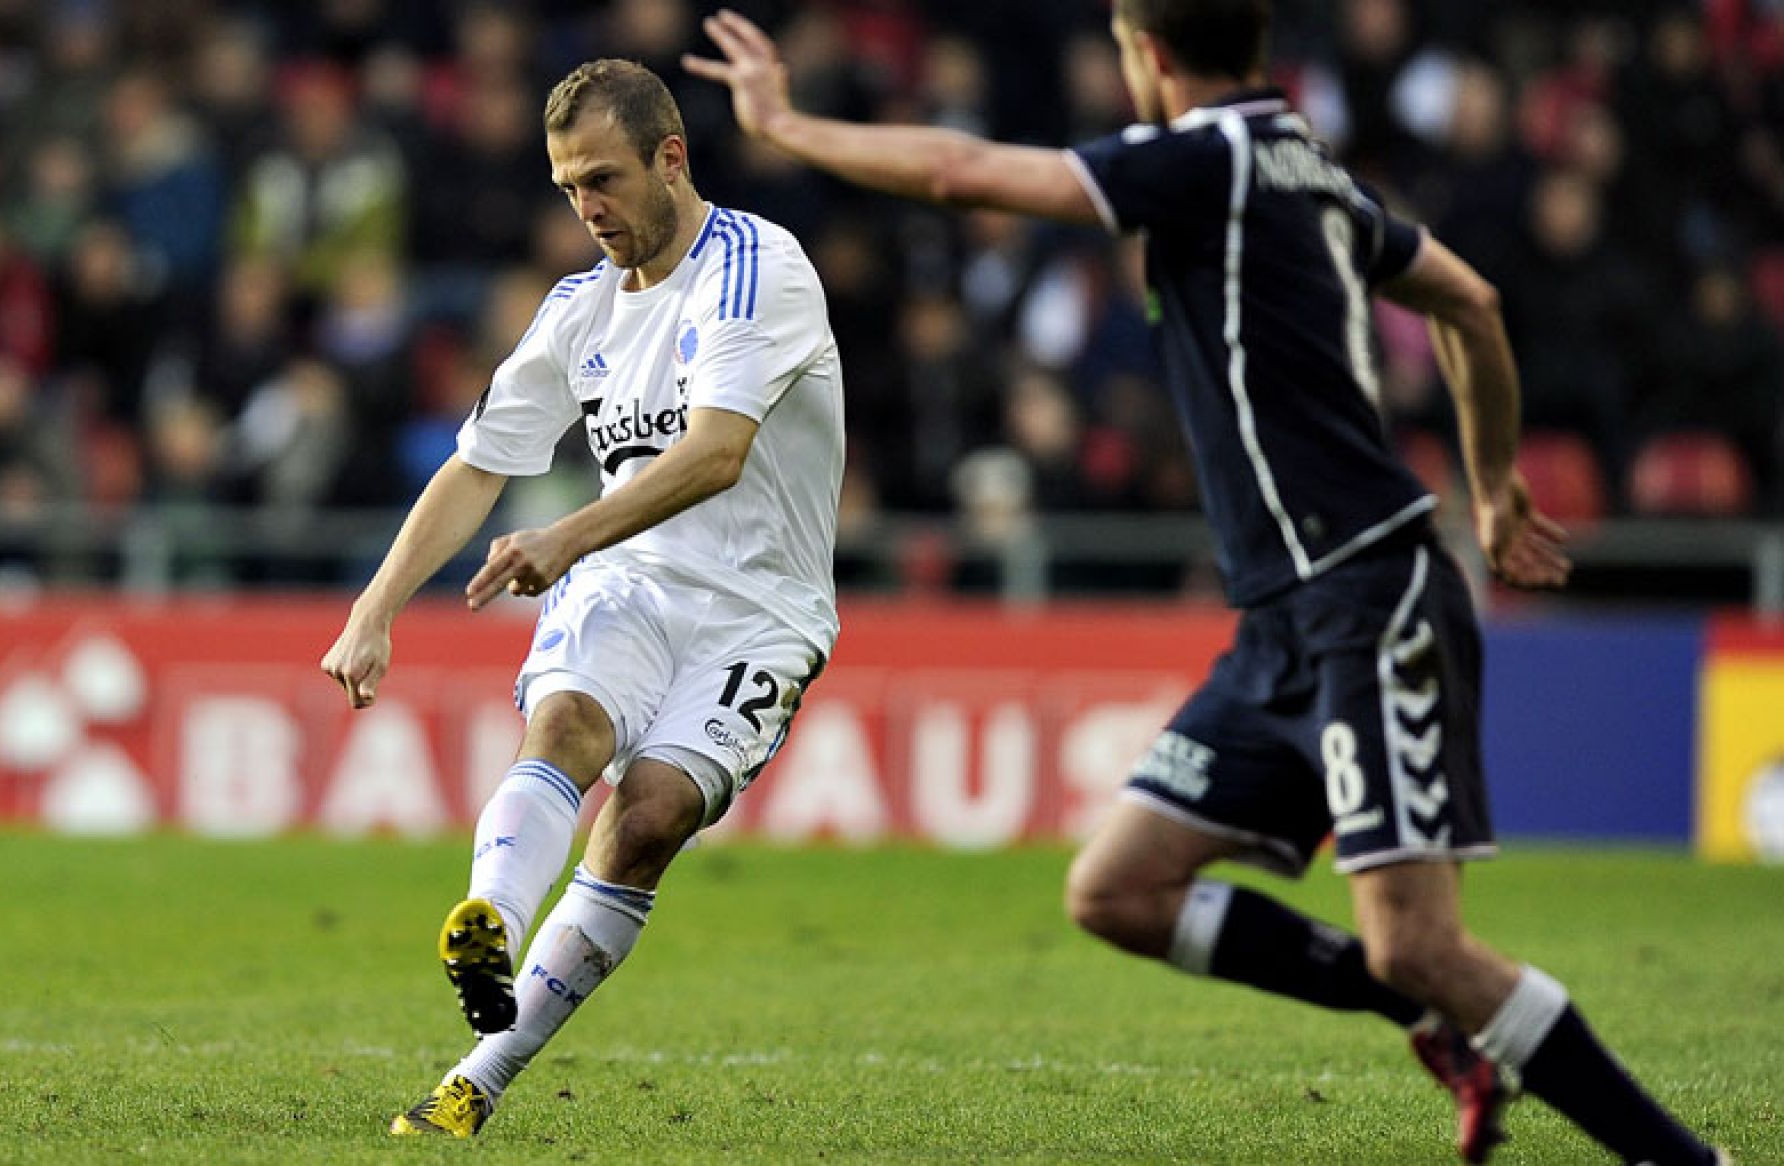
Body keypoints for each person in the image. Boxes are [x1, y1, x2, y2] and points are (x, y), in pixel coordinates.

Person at [685, 5, 1728, 1165]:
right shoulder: (1310, 165)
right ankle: (1440, 1024)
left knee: (1415, 940)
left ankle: (1681, 1157)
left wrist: (782, 122)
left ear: (1151, 55)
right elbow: (1468, 303)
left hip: (1366, 595)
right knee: (1117, 888)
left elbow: (956, 168)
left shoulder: (1212, 158)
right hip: (1288, 613)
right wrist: (1490, 489)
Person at [320, 57, 843, 1138]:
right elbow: (477, 464)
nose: (587, 207)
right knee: (561, 722)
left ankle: (478, 1074)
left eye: (602, 178)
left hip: (763, 611)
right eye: (567, 188)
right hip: (631, 580)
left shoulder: (754, 268)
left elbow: (715, 454)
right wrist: (374, 609)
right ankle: (492, 925)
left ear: (671, 157)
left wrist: (562, 535)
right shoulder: (578, 308)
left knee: (646, 814)